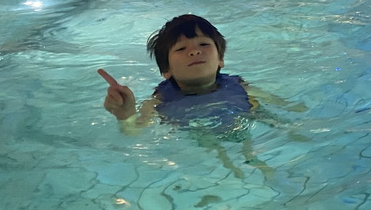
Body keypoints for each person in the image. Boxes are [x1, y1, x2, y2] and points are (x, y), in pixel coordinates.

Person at [99, 14, 300, 135]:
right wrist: (125, 115)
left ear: (220, 59)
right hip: (198, 135)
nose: (194, 51)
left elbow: (286, 107)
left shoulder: (239, 87)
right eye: (181, 49)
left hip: (242, 123)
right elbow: (135, 132)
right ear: (166, 71)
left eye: (204, 44)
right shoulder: (159, 100)